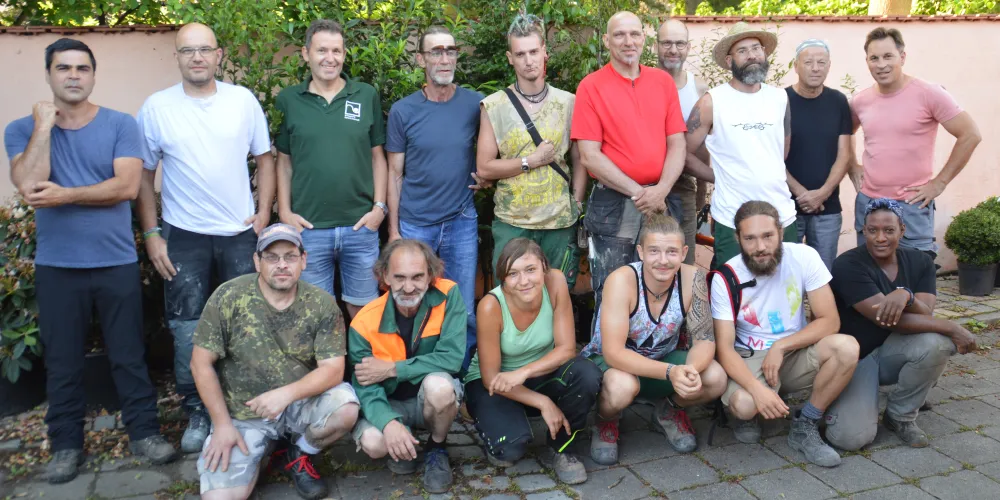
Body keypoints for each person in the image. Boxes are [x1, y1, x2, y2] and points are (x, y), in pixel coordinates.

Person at [4, 38, 177, 484]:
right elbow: (29, 185)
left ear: (93, 74)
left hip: (115, 260)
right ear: (49, 75)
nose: (73, 76)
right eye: (64, 68)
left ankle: (144, 433)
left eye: (82, 68)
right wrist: (44, 128)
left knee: (128, 355)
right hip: (57, 265)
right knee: (62, 361)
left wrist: (65, 194)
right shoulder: (22, 129)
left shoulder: (121, 124)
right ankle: (64, 445)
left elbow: (124, 187)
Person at [137, 22, 276, 453]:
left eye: (204, 50)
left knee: (245, 325)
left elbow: (266, 160)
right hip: (184, 237)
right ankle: (197, 410)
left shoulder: (242, 101)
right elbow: (144, 175)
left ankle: (240, 408)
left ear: (219, 55)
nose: (197, 57)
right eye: (187, 50)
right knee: (187, 330)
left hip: (239, 234)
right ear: (176, 57)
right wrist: (152, 233)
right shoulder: (157, 108)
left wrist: (263, 217)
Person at [190, 224, 359, 500]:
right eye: (271, 257)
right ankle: (263, 448)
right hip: (245, 413)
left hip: (298, 404)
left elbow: (333, 370)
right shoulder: (228, 297)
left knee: (346, 409)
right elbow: (200, 364)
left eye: (290, 256)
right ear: (257, 261)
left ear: (303, 260)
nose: (282, 265)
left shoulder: (321, 304)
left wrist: (285, 395)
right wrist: (221, 425)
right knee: (221, 497)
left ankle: (299, 451)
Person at [712, 201, 858, 468]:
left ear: (780, 232)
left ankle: (806, 424)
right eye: (750, 238)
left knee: (846, 347)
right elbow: (724, 348)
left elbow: (829, 321)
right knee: (745, 405)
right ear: (738, 239)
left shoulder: (804, 257)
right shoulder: (726, 277)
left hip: (794, 351)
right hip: (751, 357)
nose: (760, 247)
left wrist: (781, 346)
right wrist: (757, 390)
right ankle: (747, 410)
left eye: (768, 236)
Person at [824, 198, 977, 450]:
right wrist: (952, 326)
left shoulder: (920, 262)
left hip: (892, 352)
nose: (880, 238)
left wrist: (907, 294)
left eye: (889, 230)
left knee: (935, 343)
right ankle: (848, 399)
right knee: (850, 439)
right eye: (872, 230)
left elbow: (926, 313)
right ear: (864, 231)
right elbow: (885, 319)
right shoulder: (848, 265)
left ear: (902, 230)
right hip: (855, 357)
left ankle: (900, 414)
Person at [582, 214, 726, 464]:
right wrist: (671, 372)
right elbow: (613, 353)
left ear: (683, 253)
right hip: (614, 366)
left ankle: (668, 410)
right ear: (640, 252)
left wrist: (689, 371)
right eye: (654, 251)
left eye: (671, 252)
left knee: (714, 377)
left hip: (662, 362)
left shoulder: (694, 279)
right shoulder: (621, 280)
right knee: (621, 387)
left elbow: (704, 339)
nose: (662, 260)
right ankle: (606, 420)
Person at [571, 11, 687, 319]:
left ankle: (657, 354)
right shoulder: (591, 87)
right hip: (615, 204)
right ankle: (609, 360)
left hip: (662, 201)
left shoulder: (662, 82)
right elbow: (589, 155)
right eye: (619, 35)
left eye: (635, 34)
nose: (628, 41)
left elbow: (677, 143)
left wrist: (660, 190)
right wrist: (642, 193)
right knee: (612, 286)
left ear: (644, 39)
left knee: (664, 282)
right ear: (607, 41)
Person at [386, 26, 484, 370]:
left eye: (450, 51)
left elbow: (490, 151)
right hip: (415, 223)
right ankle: (413, 372)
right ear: (421, 59)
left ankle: (462, 376)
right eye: (436, 52)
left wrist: (484, 175)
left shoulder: (475, 104)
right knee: (411, 303)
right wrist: (394, 230)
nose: (444, 58)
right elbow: (394, 173)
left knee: (464, 307)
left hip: (460, 220)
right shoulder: (403, 111)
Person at [275, 19, 387, 318]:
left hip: (359, 226)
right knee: (314, 313)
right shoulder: (288, 100)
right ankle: (327, 367)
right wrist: (285, 212)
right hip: (309, 228)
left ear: (344, 54)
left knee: (364, 311)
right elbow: (283, 160)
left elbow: (378, 156)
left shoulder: (365, 95)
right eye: (322, 50)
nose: (330, 58)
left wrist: (379, 208)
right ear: (305, 53)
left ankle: (362, 367)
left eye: (337, 51)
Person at [465, 238, 600, 484]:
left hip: (537, 374)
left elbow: (567, 349)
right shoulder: (490, 306)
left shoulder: (555, 282)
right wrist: (543, 402)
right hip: (495, 386)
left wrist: (524, 372)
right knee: (510, 450)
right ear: (503, 279)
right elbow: (490, 378)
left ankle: (562, 449)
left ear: (544, 268)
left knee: (587, 373)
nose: (524, 281)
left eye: (530, 270)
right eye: (513, 274)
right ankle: (482, 412)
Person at [849, 27, 981, 259]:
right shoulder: (860, 101)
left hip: (911, 204)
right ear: (867, 61)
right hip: (869, 203)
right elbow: (844, 133)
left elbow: (970, 134)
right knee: (871, 280)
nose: (881, 64)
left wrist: (940, 182)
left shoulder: (929, 93)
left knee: (916, 278)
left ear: (902, 57)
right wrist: (852, 164)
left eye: (888, 56)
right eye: (874, 58)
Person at [476, 14, 586, 288]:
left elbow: (580, 158)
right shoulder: (494, 105)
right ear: (510, 58)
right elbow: (485, 167)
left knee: (558, 297)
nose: (529, 60)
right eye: (520, 53)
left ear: (545, 53)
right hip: (513, 222)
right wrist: (530, 161)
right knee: (510, 298)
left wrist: (578, 200)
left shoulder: (568, 102)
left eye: (534, 51)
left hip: (559, 223)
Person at [349, 239, 467, 494]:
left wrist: (393, 368)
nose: (409, 287)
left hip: (426, 399)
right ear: (385, 277)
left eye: (417, 277)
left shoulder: (449, 295)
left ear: (431, 276)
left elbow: (452, 358)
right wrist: (388, 423)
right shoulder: (363, 322)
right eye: (399, 277)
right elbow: (365, 387)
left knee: (441, 387)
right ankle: (401, 439)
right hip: (390, 402)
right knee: (374, 442)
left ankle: (437, 447)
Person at [683, 23, 798, 269]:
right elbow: (682, 153)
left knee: (786, 290)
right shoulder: (712, 101)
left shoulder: (780, 98)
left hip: (781, 215)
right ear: (729, 60)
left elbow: (781, 153)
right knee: (734, 290)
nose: (752, 55)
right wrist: (718, 176)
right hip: (732, 217)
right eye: (742, 51)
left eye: (756, 48)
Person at [785, 39, 853, 271]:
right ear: (796, 66)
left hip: (828, 208)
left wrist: (822, 194)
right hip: (787, 207)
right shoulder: (779, 101)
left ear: (829, 66)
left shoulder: (838, 101)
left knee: (823, 277)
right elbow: (772, 155)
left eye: (821, 62)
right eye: (809, 62)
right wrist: (801, 193)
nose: (815, 68)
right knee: (786, 277)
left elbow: (845, 154)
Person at [656, 18, 709, 265]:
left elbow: (704, 146)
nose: (673, 49)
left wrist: (702, 189)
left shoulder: (698, 87)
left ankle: (685, 303)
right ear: (656, 46)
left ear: (688, 47)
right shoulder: (643, 82)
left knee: (684, 254)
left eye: (679, 43)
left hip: (684, 183)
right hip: (646, 184)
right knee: (650, 253)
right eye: (666, 43)